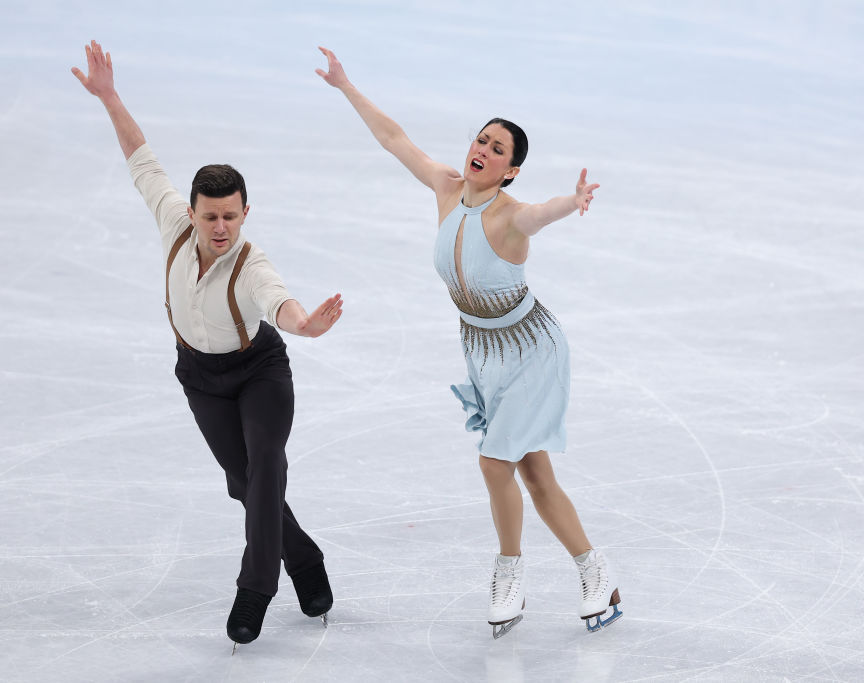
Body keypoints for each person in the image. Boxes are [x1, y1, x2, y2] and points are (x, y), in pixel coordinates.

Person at [315, 47, 621, 637]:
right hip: (483, 353)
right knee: (533, 472)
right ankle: (595, 569)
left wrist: (572, 202)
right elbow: (394, 139)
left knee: (493, 461)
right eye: (481, 140)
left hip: (531, 350)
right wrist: (346, 86)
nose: (482, 150)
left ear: (510, 170)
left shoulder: (511, 215)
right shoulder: (446, 188)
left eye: (497, 149)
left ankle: (510, 572)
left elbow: (541, 214)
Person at [72, 41, 341, 650]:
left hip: (260, 374)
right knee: (246, 485)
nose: (221, 228)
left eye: (232, 217)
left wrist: (307, 325)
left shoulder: (251, 264)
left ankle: (256, 589)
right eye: (210, 216)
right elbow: (141, 160)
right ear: (192, 212)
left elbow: (282, 304)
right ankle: (304, 559)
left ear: (246, 213)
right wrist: (111, 97)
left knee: (266, 465)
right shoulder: (173, 223)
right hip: (200, 378)